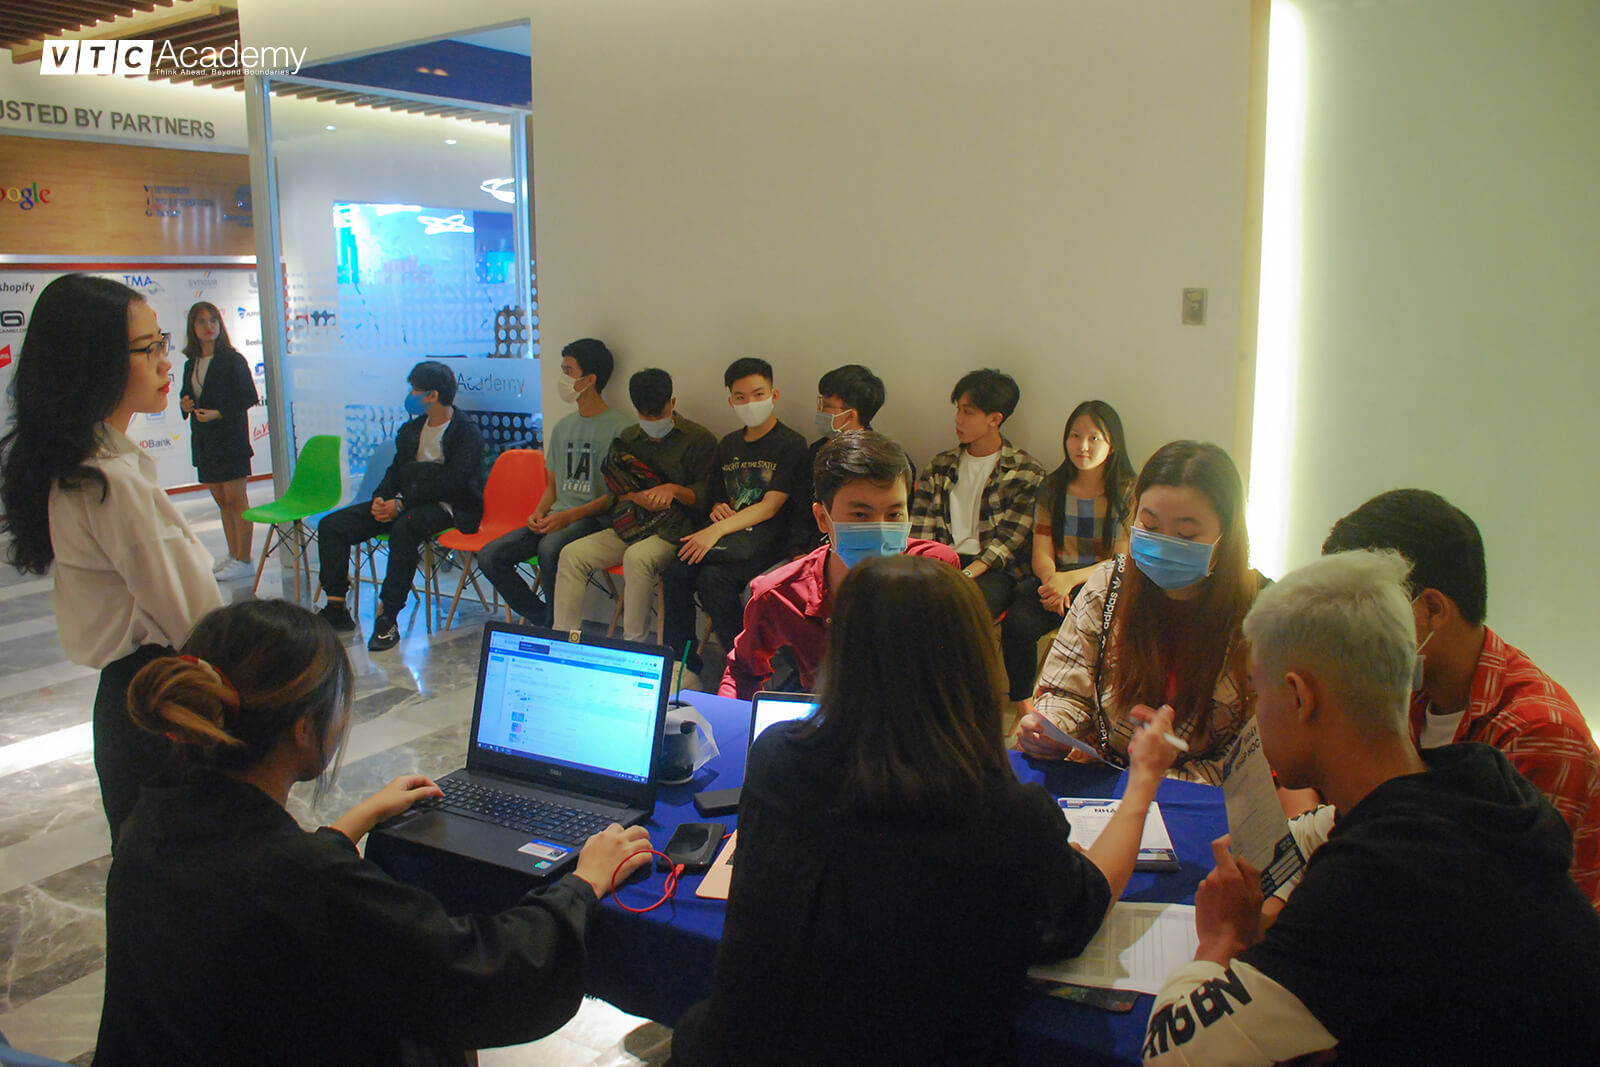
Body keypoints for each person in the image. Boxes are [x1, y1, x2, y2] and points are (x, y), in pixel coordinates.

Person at [93, 599, 652, 1066]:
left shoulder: (152, 822)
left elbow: (263, 872)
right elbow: (481, 974)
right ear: (305, 730)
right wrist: (582, 883)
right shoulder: (309, 882)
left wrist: (350, 824)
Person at [672, 554, 1180, 1066]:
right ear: (972, 663)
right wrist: (1142, 783)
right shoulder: (1006, 815)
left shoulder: (776, 757)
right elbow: (1086, 905)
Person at [1143, 550, 1600, 1066]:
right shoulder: (1472, 783)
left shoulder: (1376, 878)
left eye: (1256, 690)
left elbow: (1172, 1054)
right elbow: (1315, 832)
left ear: (1299, 697)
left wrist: (1220, 939)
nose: (1256, 714)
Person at [0, 274, 223, 846]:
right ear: (94, 364)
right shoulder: (107, 480)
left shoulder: (89, 465)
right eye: (148, 349)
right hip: (163, 701)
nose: (166, 361)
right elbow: (196, 622)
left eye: (162, 342)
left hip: (134, 700)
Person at [1323, 489, 1600, 907]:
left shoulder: (1538, 732)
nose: (1350, 632)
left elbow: (1491, 912)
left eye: (1365, 610)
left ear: (1433, 609)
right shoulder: (1410, 691)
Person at [1016, 441, 1266, 783]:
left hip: (1198, 792)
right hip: (1106, 777)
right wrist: (1051, 728)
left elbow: (1251, 752)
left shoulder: (1261, 617)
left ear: (1227, 536)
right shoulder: (1109, 586)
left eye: (1186, 534)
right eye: (1149, 527)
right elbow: (1065, 691)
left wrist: (1156, 782)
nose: (1164, 544)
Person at [718, 430, 959, 699]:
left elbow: (961, 666)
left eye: (894, 514)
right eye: (860, 515)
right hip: (833, 711)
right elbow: (742, 673)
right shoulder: (781, 594)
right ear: (822, 518)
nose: (880, 530)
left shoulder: (937, 570)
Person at [316, 361, 484, 652]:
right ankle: (336, 606)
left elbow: (453, 484)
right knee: (332, 525)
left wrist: (403, 502)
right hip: (404, 502)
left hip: (448, 508)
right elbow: (396, 472)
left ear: (432, 395)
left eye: (415, 390)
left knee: (405, 529)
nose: (410, 395)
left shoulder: (465, 433)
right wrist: (382, 498)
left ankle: (388, 616)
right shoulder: (411, 430)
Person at [662, 358, 808, 681]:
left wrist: (715, 530)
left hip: (768, 540)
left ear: (774, 395)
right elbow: (717, 495)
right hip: (731, 539)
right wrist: (717, 508)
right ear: (730, 401)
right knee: (678, 571)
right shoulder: (728, 444)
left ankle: (745, 667)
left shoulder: (791, 444)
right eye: (740, 397)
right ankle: (683, 664)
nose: (750, 403)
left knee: (711, 578)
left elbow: (770, 507)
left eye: (758, 394)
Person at [554, 368, 717, 643]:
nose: (652, 422)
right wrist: (635, 497)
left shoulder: (698, 440)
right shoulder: (628, 439)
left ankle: (634, 646)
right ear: (637, 410)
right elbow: (614, 493)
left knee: (637, 558)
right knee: (571, 555)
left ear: (672, 403)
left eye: (658, 414)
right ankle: (562, 641)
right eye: (645, 416)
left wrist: (673, 491)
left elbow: (705, 498)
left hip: (676, 530)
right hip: (631, 524)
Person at [478, 339, 631, 625]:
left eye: (568, 370)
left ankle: (554, 629)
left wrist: (568, 516)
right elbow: (552, 486)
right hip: (556, 516)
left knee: (549, 549)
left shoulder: (620, 429)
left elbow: (615, 496)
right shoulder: (563, 427)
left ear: (590, 379)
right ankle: (544, 619)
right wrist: (538, 513)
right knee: (490, 556)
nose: (562, 377)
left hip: (592, 519)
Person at [1001, 400, 1135, 702]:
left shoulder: (1127, 491)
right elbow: (1041, 552)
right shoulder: (1053, 487)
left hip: (1103, 585)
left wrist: (1068, 581)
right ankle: (1023, 705)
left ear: (1112, 445)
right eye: (1075, 436)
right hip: (1055, 584)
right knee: (1018, 623)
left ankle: (1095, 704)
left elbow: (1120, 561)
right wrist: (1053, 582)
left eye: (1094, 438)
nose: (1082, 446)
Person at [909, 368, 1044, 617]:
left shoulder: (1025, 471)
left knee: (961, 611)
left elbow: (1009, 541)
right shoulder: (939, 466)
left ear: (995, 419)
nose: (958, 419)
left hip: (993, 570)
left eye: (968, 412)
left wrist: (966, 575)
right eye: (958, 409)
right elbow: (921, 530)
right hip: (943, 561)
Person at [177, 300, 259, 581]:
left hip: (230, 439)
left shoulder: (232, 359)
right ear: (192, 327)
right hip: (204, 442)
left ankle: (245, 558)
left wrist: (219, 413)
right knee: (222, 501)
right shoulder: (191, 363)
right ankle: (233, 555)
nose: (208, 326)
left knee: (236, 499)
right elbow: (186, 396)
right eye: (201, 321)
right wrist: (185, 405)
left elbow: (248, 396)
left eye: (213, 320)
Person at [790, 363, 886, 555]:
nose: (820, 411)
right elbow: (798, 513)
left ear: (851, 415)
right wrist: (798, 551)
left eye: (827, 406)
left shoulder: (884, 459)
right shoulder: (815, 453)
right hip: (812, 551)